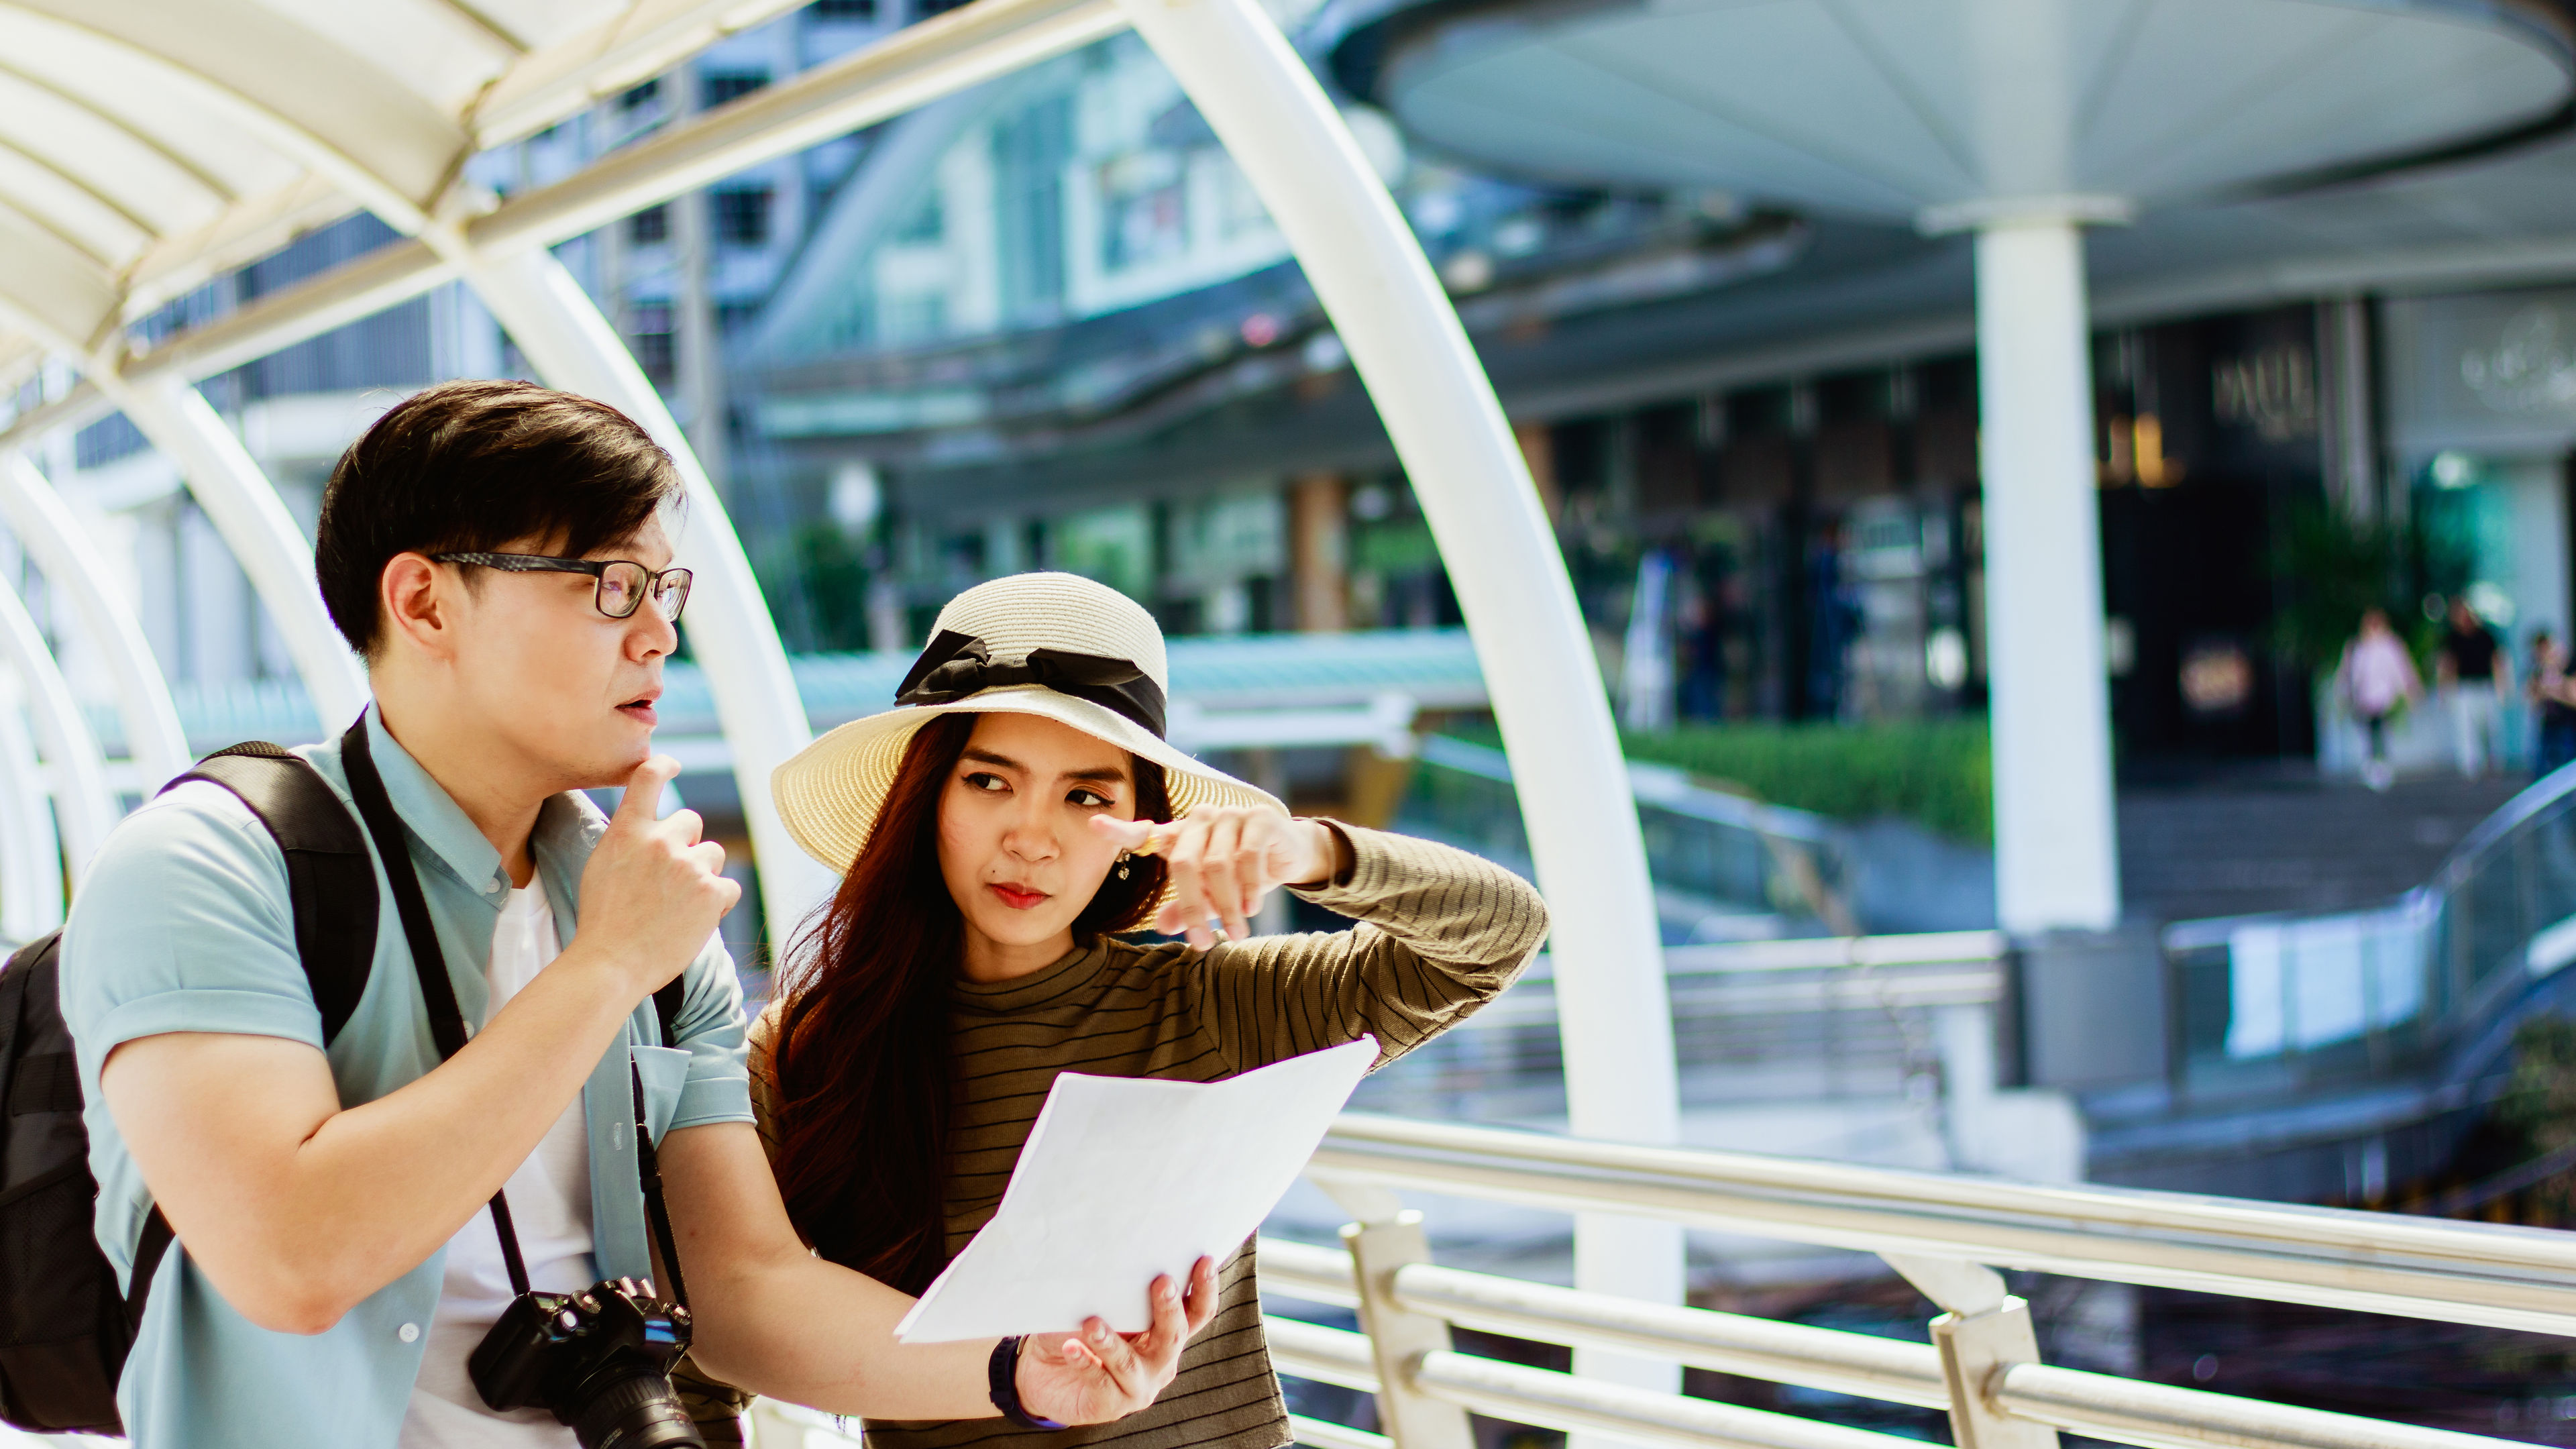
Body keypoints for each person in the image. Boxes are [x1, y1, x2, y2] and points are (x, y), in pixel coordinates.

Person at [60, 382, 1216, 1449]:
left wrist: (1021, 1372)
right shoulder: (213, 862)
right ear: (422, 601)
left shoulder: (647, 916)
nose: (657, 634)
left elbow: (747, 1291)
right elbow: (291, 1259)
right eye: (610, 585)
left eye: (666, 591)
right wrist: (603, 965)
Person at [676, 572, 1548, 1449]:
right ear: (927, 796)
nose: (1032, 837)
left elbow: (1503, 932)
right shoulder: (812, 1052)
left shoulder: (1216, 1007)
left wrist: (1313, 850)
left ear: (1139, 832)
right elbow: (702, 1337)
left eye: (1086, 797)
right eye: (989, 782)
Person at [2337, 606, 2422, 792]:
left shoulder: (2391, 644)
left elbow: (2402, 668)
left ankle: (2382, 765)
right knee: (2369, 731)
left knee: (2381, 730)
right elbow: (2348, 672)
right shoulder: (2356, 646)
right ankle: (2372, 765)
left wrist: (2410, 690)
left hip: (2385, 697)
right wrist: (2344, 694)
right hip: (2363, 698)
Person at [2436, 596, 2511, 779]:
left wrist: (2502, 686)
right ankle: (2470, 765)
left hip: (2485, 686)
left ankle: (2493, 761)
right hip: (2464, 688)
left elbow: (2497, 661)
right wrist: (2446, 689)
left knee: (2490, 727)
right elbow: (2448, 664)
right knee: (2465, 729)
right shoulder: (2452, 638)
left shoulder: (2485, 635)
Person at [2532, 631, 2576, 779]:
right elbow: (2532, 701)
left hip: (2566, 725)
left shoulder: (2568, 671)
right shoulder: (2540, 672)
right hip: (2548, 725)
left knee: (2567, 766)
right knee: (2542, 768)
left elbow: (2573, 697)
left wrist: (2554, 691)